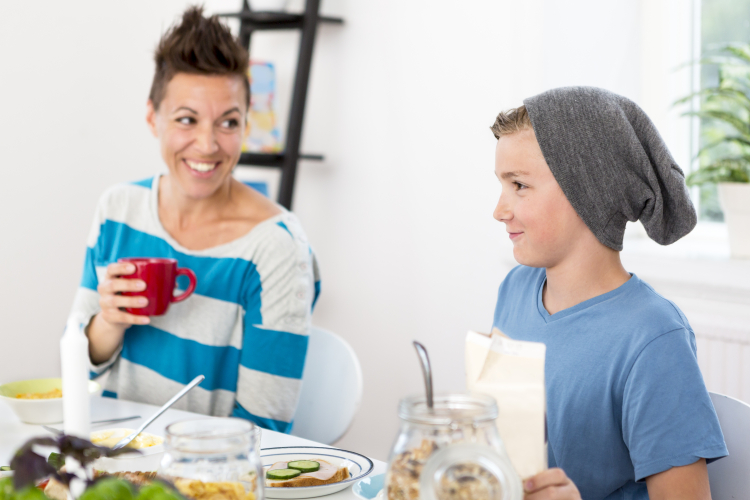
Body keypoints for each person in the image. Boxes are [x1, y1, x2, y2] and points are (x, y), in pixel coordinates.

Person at [67, 6, 320, 433]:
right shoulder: (118, 210)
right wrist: (108, 322)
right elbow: (77, 371)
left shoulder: (277, 248)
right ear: (154, 118)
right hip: (112, 465)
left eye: (228, 122)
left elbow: (264, 428)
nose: (207, 145)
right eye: (187, 119)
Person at [489, 87, 727, 499]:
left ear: (585, 194)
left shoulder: (653, 338)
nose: (499, 209)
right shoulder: (515, 288)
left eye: (519, 186)